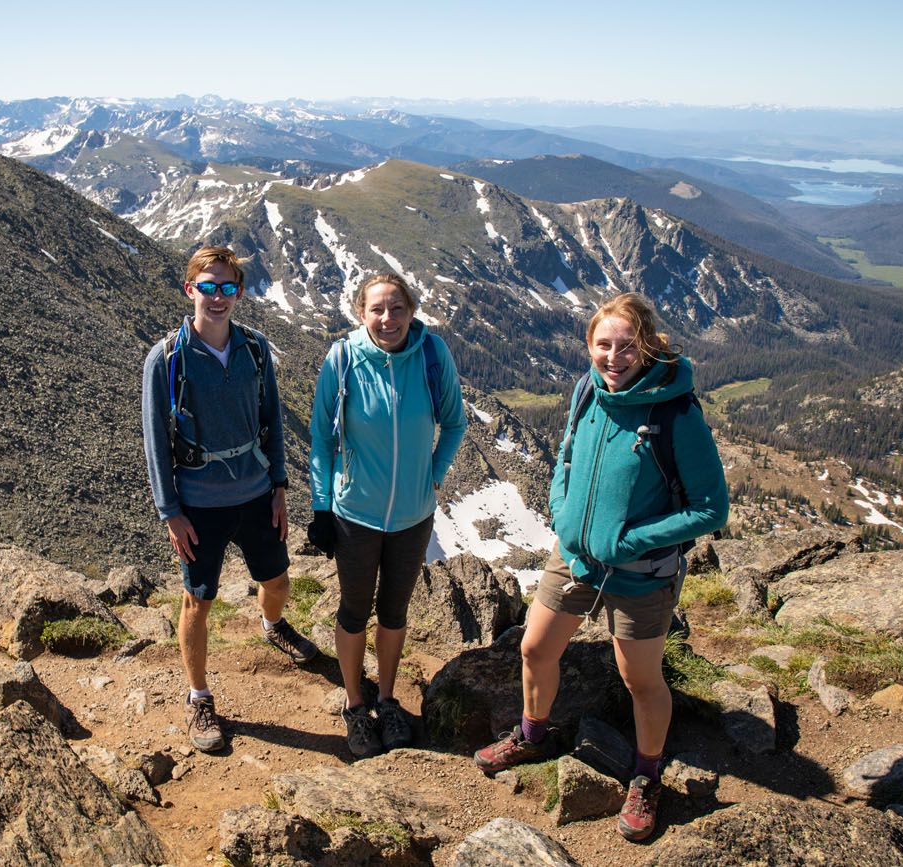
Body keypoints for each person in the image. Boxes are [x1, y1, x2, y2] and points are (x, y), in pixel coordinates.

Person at [472, 292, 729, 842]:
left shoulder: (674, 411)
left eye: (626, 346)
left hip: (640, 571)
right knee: (534, 648)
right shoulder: (588, 390)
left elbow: (711, 508)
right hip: (574, 556)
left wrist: (629, 540)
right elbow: (566, 455)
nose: (614, 357)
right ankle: (532, 734)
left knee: (639, 678)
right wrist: (564, 518)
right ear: (589, 347)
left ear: (648, 346)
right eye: (603, 345)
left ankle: (646, 774)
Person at [142, 245, 318, 753]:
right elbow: (155, 437)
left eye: (227, 288)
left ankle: (273, 624)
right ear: (189, 289)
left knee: (279, 579)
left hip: (258, 493)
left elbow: (272, 422)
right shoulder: (167, 357)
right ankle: (199, 697)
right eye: (208, 286)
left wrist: (281, 485)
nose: (217, 297)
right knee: (198, 599)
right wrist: (170, 512)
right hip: (198, 503)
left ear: (238, 292)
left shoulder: (256, 350)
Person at [307, 272, 467, 758]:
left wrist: (434, 474)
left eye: (397, 308)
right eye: (377, 309)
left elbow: (455, 423)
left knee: (395, 613)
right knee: (355, 612)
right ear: (361, 313)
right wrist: (320, 506)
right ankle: (356, 705)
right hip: (355, 513)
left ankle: (389, 698)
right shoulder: (344, 359)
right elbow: (322, 438)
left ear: (412, 311)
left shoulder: (433, 356)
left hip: (413, 516)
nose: (388, 318)